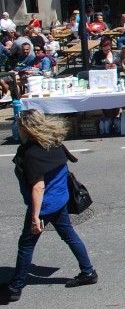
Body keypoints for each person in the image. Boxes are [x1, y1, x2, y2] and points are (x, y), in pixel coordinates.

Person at [1, 110, 98, 303]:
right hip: (60, 199)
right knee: (69, 235)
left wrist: (36, 217)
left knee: (26, 245)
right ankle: (88, 272)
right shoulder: (53, 141)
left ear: (24, 129)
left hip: (44, 205)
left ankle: (15, 287)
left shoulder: (29, 152)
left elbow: (38, 187)